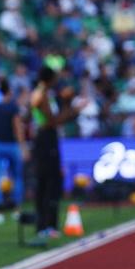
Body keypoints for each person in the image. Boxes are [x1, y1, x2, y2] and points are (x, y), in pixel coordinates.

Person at [29, 66, 86, 239]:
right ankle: (47, 225)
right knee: (50, 183)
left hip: (43, 139)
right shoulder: (42, 95)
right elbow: (52, 121)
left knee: (44, 184)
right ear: (50, 79)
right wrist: (73, 110)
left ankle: (43, 225)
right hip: (46, 140)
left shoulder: (41, 94)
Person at [0, 78, 26, 219]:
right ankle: (16, 207)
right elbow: (18, 128)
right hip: (12, 145)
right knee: (16, 176)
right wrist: (23, 147)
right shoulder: (13, 107)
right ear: (9, 91)